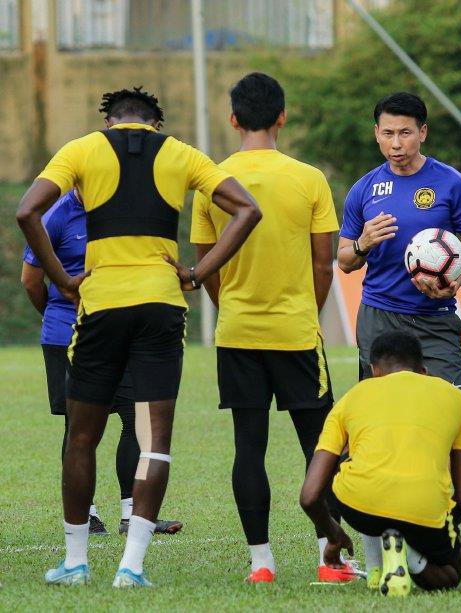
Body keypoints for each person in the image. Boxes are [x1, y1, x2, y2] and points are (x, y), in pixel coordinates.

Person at [17, 87, 261, 587]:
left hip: (101, 307)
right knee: (154, 441)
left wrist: (63, 280)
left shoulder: (82, 148)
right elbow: (247, 210)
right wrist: (196, 272)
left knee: (81, 437)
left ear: (110, 121)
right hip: (161, 307)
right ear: (156, 122)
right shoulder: (183, 153)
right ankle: (132, 567)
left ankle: (76, 562)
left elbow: (27, 212)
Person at [190, 73, 342, 584]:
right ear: (282, 117)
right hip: (297, 333)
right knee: (318, 447)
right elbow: (325, 265)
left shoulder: (211, 180)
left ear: (233, 119)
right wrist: (309, 310)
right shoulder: (309, 178)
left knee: (248, 447)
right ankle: (331, 560)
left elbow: (204, 263)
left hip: (237, 333)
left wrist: (228, 303)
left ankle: (261, 564)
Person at [337, 92, 461, 550]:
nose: (397, 143)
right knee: (377, 415)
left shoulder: (450, 184)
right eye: (388, 133)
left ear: (423, 132)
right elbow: (344, 259)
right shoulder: (363, 189)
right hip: (380, 316)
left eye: (405, 132)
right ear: (376, 134)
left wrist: (456, 282)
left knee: (454, 411)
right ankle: (379, 509)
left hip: (434, 318)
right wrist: (365, 242)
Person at [21, 188, 182, 538]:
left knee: (136, 416)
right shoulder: (57, 215)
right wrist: (59, 316)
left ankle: (132, 513)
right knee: (78, 425)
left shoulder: (118, 209)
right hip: (68, 333)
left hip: (114, 329)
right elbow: (31, 280)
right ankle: (86, 515)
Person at [299, 330, 461, 596]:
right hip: (424, 506)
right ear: (424, 370)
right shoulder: (458, 399)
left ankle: (379, 565)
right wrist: (433, 531)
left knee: (355, 456)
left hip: (359, 507)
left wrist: (334, 535)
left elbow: (310, 495)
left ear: (374, 371)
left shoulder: (353, 396)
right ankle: (411, 557)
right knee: (450, 575)